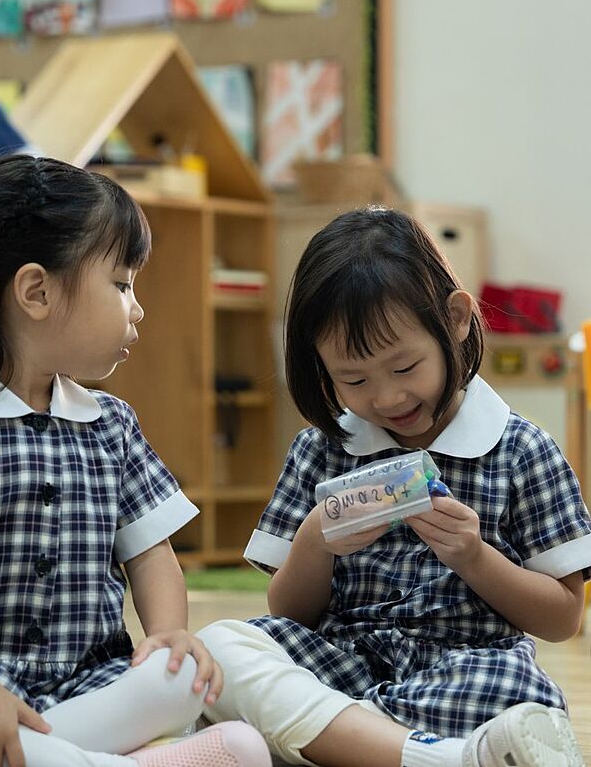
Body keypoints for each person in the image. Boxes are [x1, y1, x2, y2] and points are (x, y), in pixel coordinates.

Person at [0, 154, 270, 767]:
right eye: (122, 284)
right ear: (37, 291)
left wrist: (168, 635)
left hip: (90, 687)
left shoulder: (112, 424)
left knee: (183, 675)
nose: (137, 309)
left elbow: (151, 554)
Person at [197, 207, 591, 767]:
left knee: (516, 690)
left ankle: (353, 748)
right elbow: (288, 613)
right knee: (219, 649)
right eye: (353, 379)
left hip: (464, 667)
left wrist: (474, 557)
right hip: (340, 664)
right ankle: (446, 758)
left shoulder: (522, 450)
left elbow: (562, 619)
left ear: (455, 320)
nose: (385, 399)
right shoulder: (320, 450)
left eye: (405, 368)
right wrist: (315, 540)